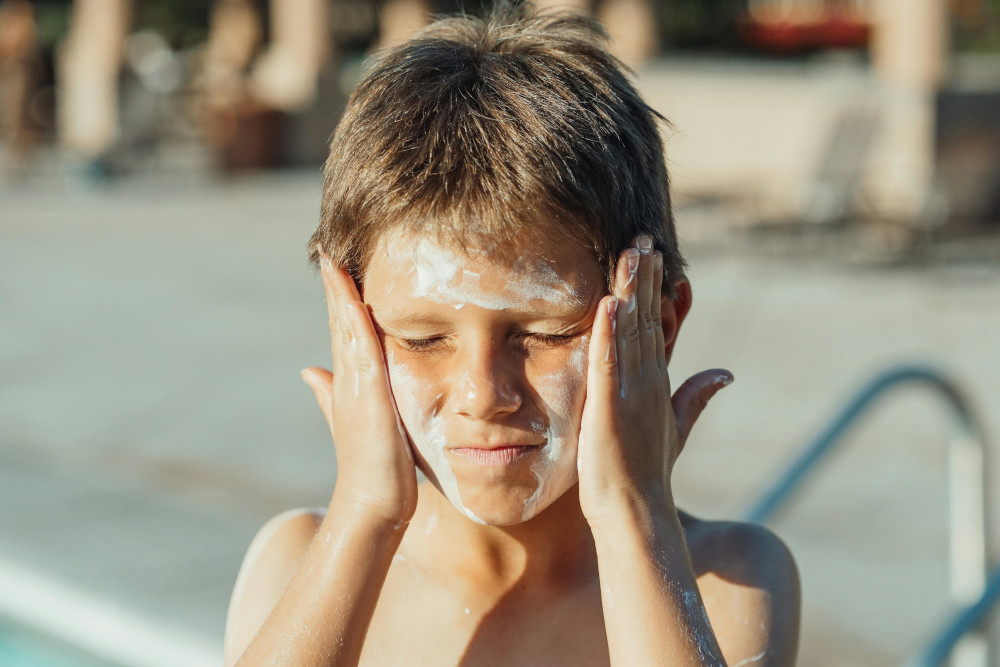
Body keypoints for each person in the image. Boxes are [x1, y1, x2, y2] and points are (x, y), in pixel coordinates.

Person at [223, 4, 801, 665]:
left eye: (542, 331)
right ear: (349, 331)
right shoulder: (299, 564)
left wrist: (632, 519)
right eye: (421, 338)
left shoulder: (728, 578)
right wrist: (365, 512)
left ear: (658, 325)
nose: (483, 393)